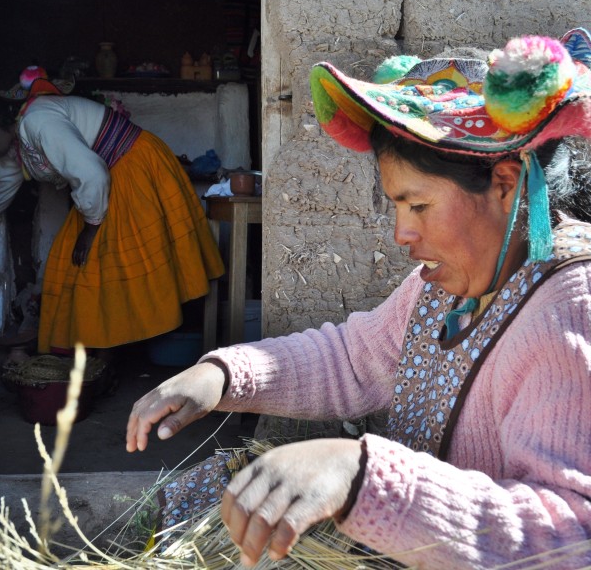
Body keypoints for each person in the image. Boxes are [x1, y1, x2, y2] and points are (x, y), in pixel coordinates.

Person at [126, 28, 591, 568]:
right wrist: (224, 376)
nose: (402, 234)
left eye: (417, 206)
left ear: (505, 184)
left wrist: (361, 476)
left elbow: (573, 535)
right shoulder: (447, 286)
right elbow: (353, 359)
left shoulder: (569, 309)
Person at [0, 67, 225, 354]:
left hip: (133, 166)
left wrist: (91, 230)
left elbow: (92, 174)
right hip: (110, 179)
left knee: (98, 261)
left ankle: (111, 349)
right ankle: (95, 348)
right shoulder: (16, 141)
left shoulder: (37, 121)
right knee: (74, 264)